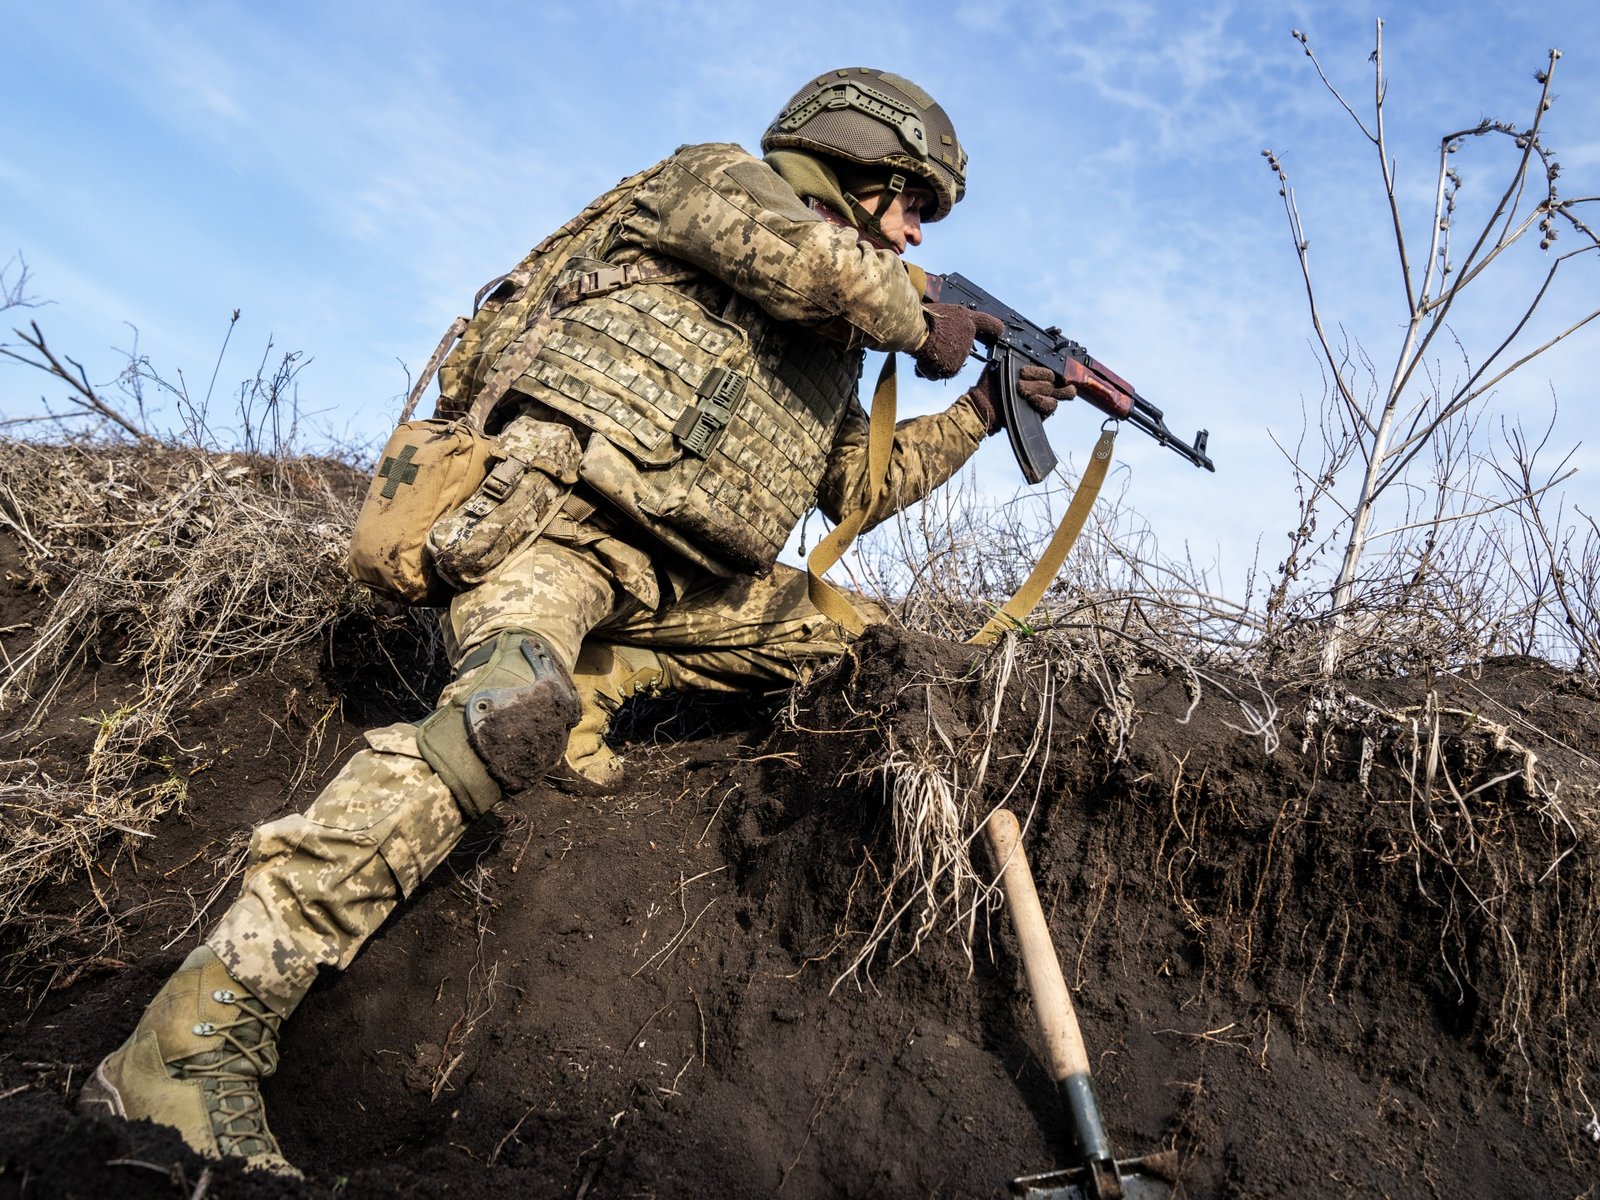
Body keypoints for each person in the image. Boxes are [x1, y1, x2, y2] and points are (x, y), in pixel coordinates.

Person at [76, 67, 1080, 1173]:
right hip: (550, 541)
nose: (909, 234)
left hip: (677, 589)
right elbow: (817, 267)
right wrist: (926, 319)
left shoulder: (832, 339)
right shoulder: (710, 185)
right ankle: (183, 1044)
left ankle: (602, 685)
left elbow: (855, 488)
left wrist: (986, 409)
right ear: (853, 159)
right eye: (907, 203)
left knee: (867, 646)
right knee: (500, 716)